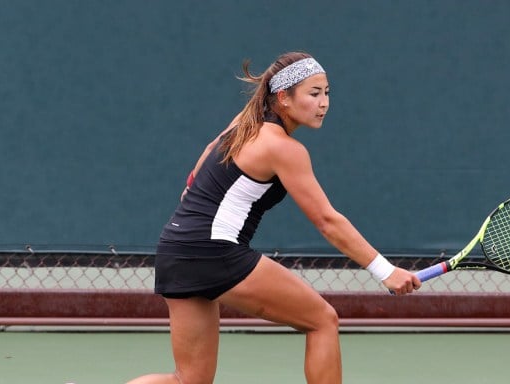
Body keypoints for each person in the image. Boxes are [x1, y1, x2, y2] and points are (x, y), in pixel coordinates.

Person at [126, 51, 421, 384]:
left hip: (176, 250)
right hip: (214, 252)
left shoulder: (244, 123)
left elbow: (210, 147)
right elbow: (326, 220)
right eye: (313, 93)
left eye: (327, 92)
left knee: (189, 380)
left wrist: (192, 186)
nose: (324, 103)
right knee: (322, 320)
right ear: (283, 97)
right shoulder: (283, 148)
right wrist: (385, 270)